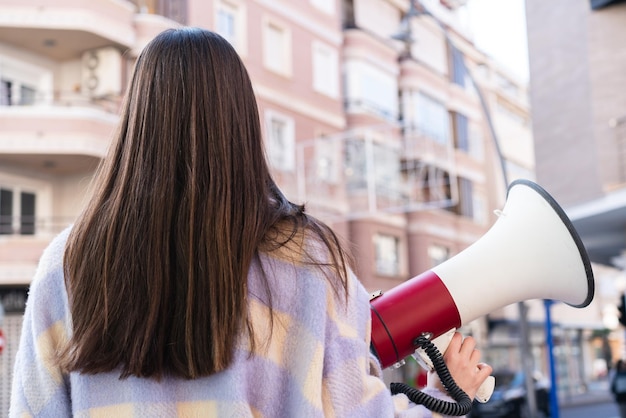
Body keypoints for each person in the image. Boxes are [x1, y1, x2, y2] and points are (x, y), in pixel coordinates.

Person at [9, 27, 492, 417]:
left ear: (135, 122)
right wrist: (445, 399)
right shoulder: (308, 263)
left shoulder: (69, 264)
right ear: (242, 123)